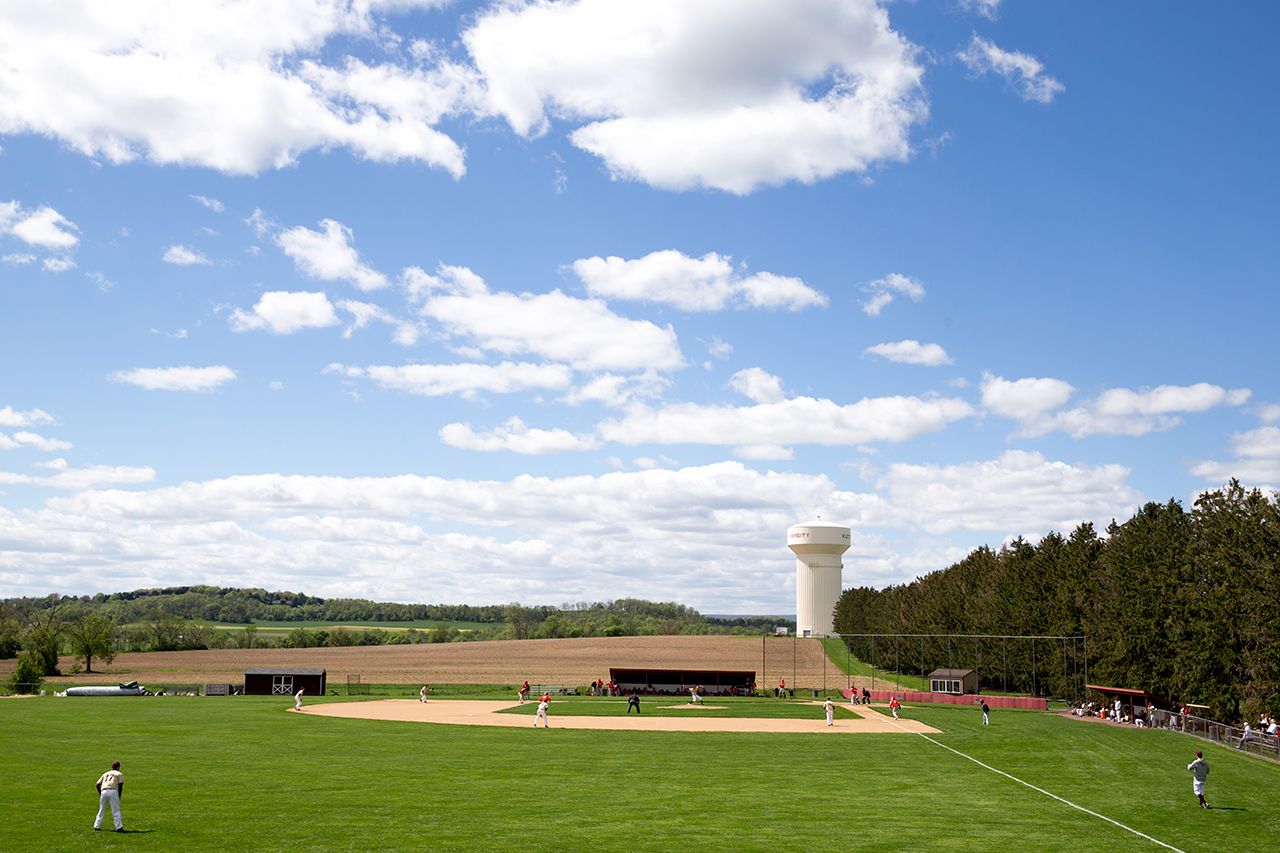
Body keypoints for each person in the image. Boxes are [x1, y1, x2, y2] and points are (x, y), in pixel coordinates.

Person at [93, 760, 125, 832]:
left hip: (104, 791)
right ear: (117, 767)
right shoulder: (118, 774)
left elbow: (97, 784)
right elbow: (120, 785)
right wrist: (119, 795)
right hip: (113, 791)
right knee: (116, 810)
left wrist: (100, 793)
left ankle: (96, 826)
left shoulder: (105, 773)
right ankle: (119, 827)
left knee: (101, 810)